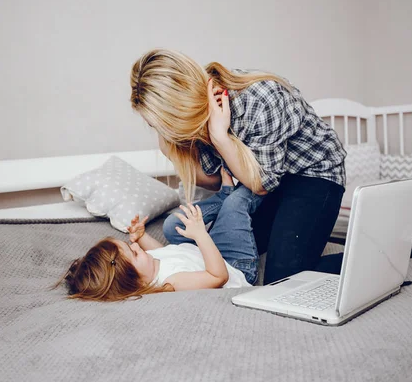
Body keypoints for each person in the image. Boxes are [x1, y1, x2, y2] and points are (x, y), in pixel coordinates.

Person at [130, 49, 346, 284]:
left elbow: (262, 184)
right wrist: (170, 149)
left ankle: (371, 258)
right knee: (228, 251)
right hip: (264, 185)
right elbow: (215, 180)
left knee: (282, 279)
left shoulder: (261, 98)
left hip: (311, 173)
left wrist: (220, 137)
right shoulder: (190, 125)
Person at [55, 178, 253, 302]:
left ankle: (225, 194)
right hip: (233, 266)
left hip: (209, 252)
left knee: (171, 224)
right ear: (135, 280)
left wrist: (142, 237)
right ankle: (248, 186)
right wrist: (200, 235)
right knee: (235, 205)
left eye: (128, 244)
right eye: (133, 252)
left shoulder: (149, 265)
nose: (135, 246)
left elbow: (166, 252)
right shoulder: (172, 282)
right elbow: (218, 276)